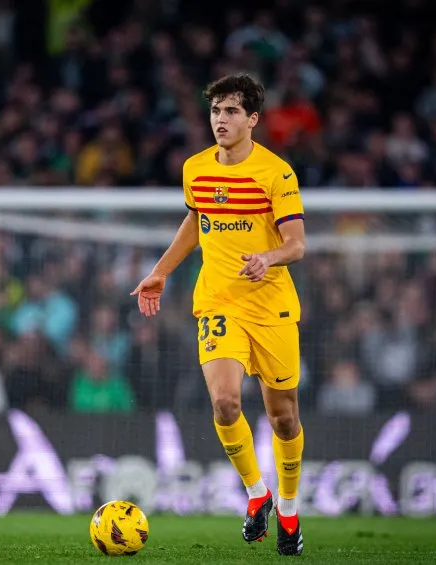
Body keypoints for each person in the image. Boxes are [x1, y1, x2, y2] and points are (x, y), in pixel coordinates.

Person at [131, 73, 307, 556]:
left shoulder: (276, 174)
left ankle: (289, 509)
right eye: (215, 111)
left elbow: (296, 244)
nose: (221, 120)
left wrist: (268, 258)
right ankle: (257, 494)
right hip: (218, 301)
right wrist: (160, 272)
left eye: (231, 111)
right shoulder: (196, 168)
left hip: (271, 305)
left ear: (252, 119)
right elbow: (197, 220)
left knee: (284, 417)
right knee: (226, 403)